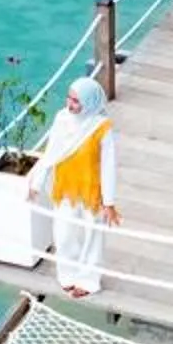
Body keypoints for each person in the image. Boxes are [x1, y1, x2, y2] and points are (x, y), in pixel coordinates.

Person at [30, 73, 117, 297]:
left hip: (91, 190)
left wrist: (109, 202)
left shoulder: (102, 127)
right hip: (65, 186)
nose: (70, 104)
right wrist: (37, 182)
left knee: (92, 235)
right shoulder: (61, 119)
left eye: (76, 100)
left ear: (89, 101)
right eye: (69, 98)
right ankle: (67, 274)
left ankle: (88, 281)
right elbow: (50, 153)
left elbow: (108, 166)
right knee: (64, 233)